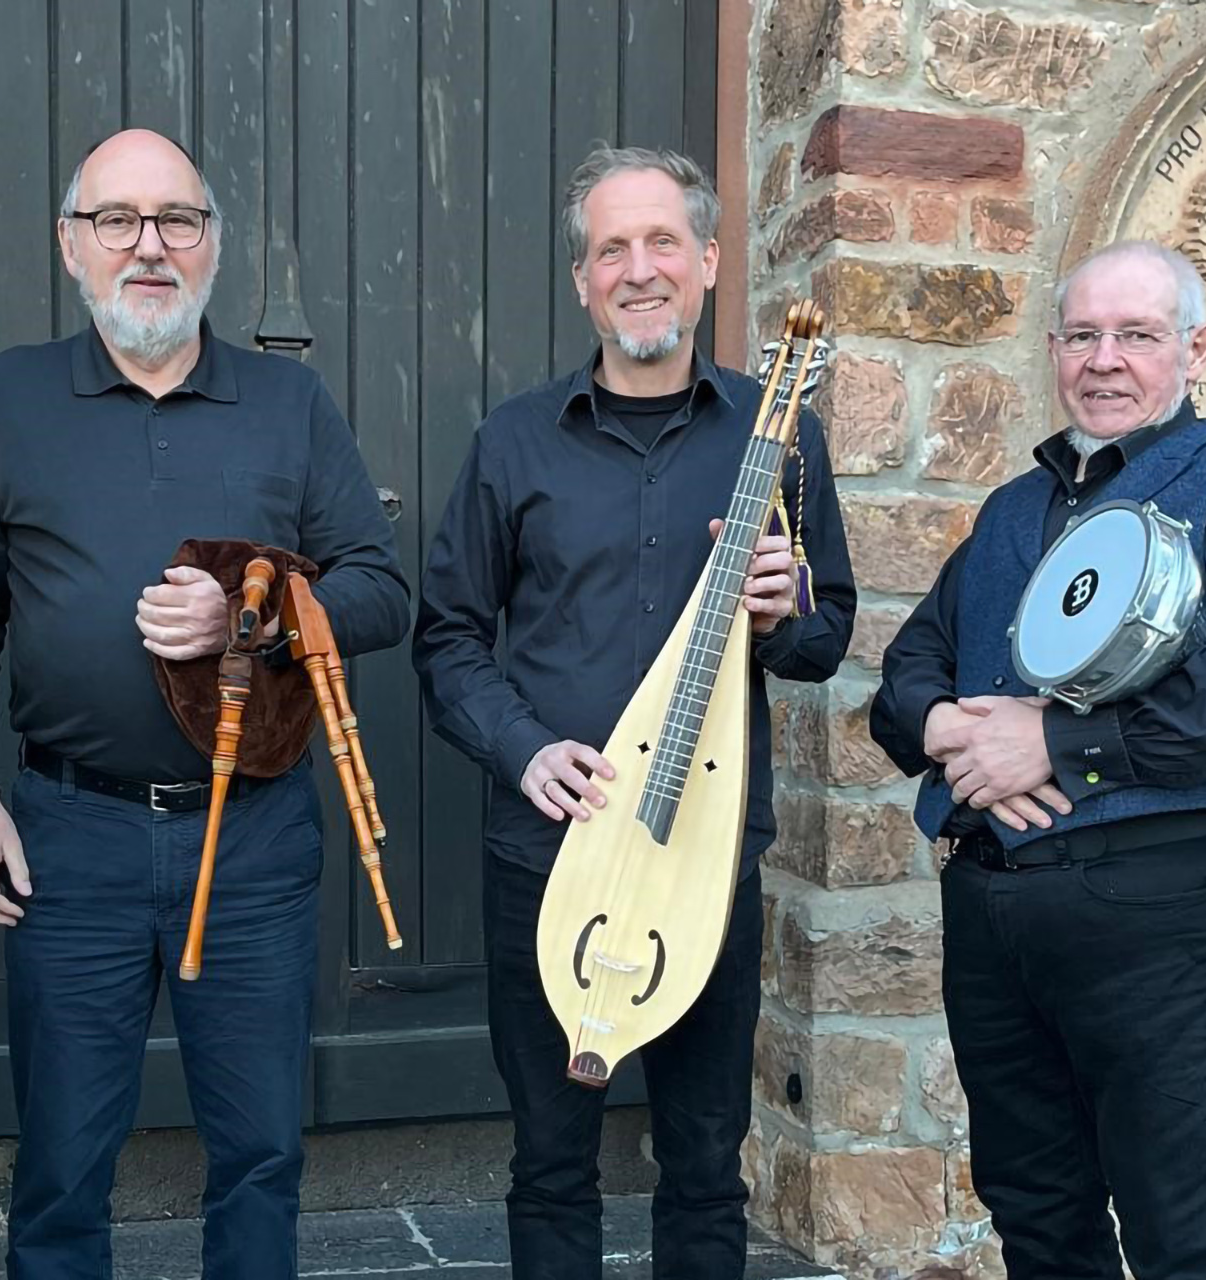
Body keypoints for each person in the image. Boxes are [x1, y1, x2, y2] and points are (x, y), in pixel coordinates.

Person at [0, 128, 409, 1280]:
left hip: (251, 834)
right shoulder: (7, 396)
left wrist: (253, 621)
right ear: (71, 245)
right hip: (66, 834)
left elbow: (379, 589)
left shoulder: (287, 401)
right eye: (117, 220)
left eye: (177, 220)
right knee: (61, 1163)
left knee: (256, 1155)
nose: (149, 245)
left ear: (213, 246)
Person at [869, 240, 1206, 1279]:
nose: (1106, 360)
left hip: (1167, 908)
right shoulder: (1010, 510)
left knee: (1185, 1238)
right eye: (1084, 335)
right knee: (1039, 1223)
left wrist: (1061, 743)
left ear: (1196, 346)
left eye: (1136, 334)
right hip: (997, 914)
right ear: (1054, 351)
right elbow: (909, 670)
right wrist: (948, 728)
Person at [412, 146, 855, 1279]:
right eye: (613, 247)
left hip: (704, 868)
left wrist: (779, 608)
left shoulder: (775, 429)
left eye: (664, 242)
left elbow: (826, 630)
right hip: (551, 854)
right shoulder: (514, 441)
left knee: (707, 1162)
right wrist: (522, 750)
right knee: (552, 1161)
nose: (639, 268)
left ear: (708, 261)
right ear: (582, 280)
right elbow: (447, 637)